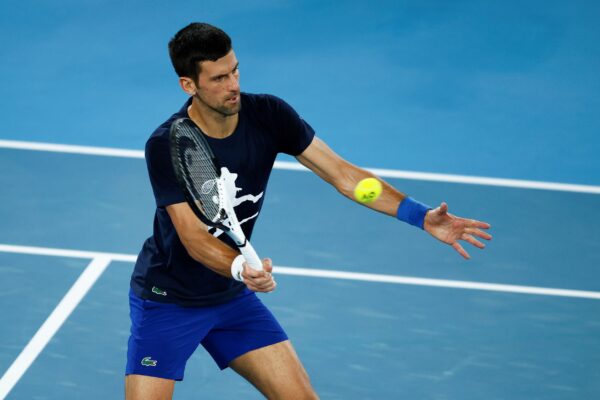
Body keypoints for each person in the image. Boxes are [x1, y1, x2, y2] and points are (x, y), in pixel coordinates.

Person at [125, 22, 492, 400]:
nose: (233, 85)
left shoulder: (268, 114)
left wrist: (419, 215)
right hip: (167, 301)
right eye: (218, 78)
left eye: (235, 71)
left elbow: (343, 174)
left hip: (229, 298)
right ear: (189, 85)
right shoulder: (168, 144)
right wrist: (240, 268)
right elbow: (193, 237)